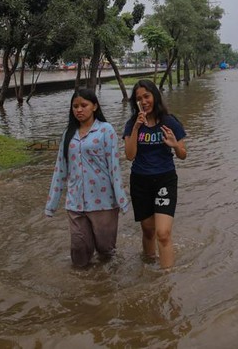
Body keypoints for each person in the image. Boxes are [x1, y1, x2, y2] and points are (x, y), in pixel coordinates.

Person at [44, 88, 129, 267]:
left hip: (103, 202)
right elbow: (60, 169)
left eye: (84, 105)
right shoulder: (68, 134)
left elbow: (114, 167)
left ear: (95, 106)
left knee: (106, 251)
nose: (79, 110)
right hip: (75, 203)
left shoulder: (106, 130)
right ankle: (81, 289)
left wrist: (122, 201)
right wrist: (51, 205)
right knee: (79, 251)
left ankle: (106, 287)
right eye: (75, 106)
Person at [124, 79, 187, 268]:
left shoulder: (170, 121)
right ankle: (149, 268)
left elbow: (183, 155)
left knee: (163, 233)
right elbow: (129, 155)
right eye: (139, 99)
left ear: (155, 97)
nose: (144, 102)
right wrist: (136, 127)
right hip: (140, 182)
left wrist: (175, 145)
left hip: (165, 180)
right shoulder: (131, 124)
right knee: (149, 231)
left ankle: (166, 282)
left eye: (147, 96)